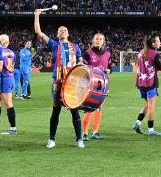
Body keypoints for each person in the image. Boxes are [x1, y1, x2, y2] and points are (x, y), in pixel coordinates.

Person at [34, 9, 84, 148]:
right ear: (57, 34)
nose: (63, 31)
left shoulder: (76, 47)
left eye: (65, 29)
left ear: (68, 33)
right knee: (56, 111)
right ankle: (52, 139)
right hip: (58, 82)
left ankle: (79, 139)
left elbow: (80, 63)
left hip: (72, 83)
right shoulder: (54, 45)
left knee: (74, 111)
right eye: (60, 30)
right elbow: (39, 32)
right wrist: (37, 15)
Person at [133, 32, 161, 137]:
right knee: (151, 105)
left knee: (148, 104)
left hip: (141, 82)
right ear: (153, 43)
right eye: (158, 41)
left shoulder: (141, 52)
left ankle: (137, 123)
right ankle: (151, 129)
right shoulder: (155, 54)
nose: (160, 42)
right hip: (151, 82)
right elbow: (159, 68)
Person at [81, 32, 111, 140]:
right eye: (96, 39)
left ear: (103, 41)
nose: (98, 40)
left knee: (99, 107)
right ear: (93, 41)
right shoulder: (87, 53)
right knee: (89, 108)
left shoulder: (108, 54)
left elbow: (109, 68)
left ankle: (95, 132)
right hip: (89, 84)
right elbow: (83, 68)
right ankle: (84, 133)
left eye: (100, 39)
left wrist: (108, 70)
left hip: (102, 85)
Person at [0, 34, 18, 135]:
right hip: (9, 77)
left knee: (8, 104)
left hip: (5, 78)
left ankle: (13, 128)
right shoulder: (12, 52)